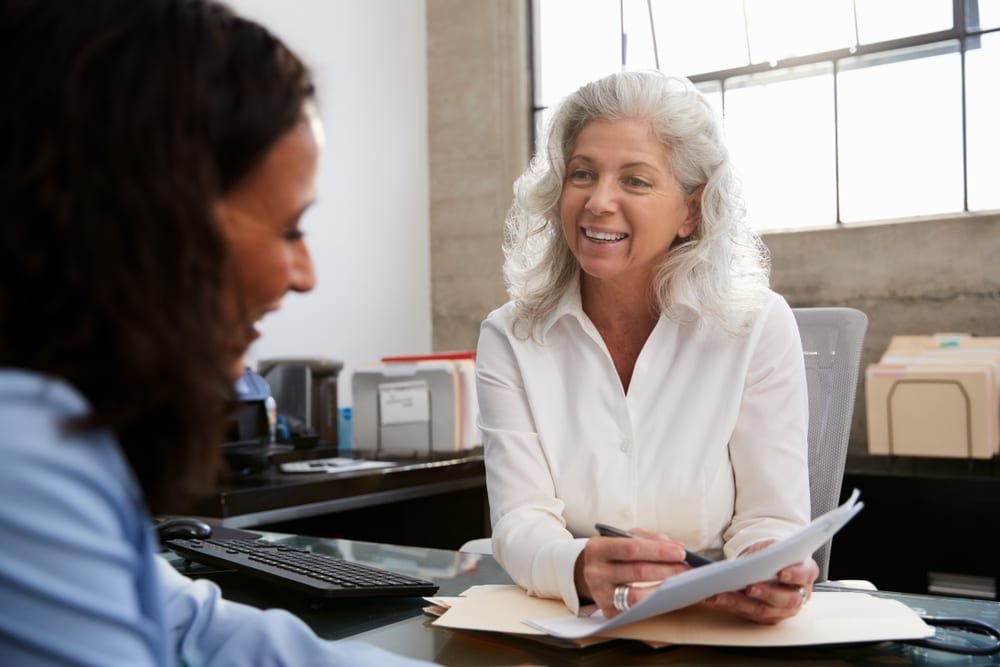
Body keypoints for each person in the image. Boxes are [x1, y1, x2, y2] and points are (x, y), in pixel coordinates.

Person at [0, 1, 434, 665]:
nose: (305, 274)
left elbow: (184, 625)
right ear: (152, 219)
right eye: (290, 228)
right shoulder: (24, 447)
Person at [475, 69, 817, 625]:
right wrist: (580, 566)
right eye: (582, 174)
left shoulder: (757, 325)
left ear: (690, 209)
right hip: (570, 630)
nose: (598, 202)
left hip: (716, 628)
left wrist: (769, 565)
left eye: (635, 181)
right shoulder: (511, 337)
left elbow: (771, 518)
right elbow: (520, 522)